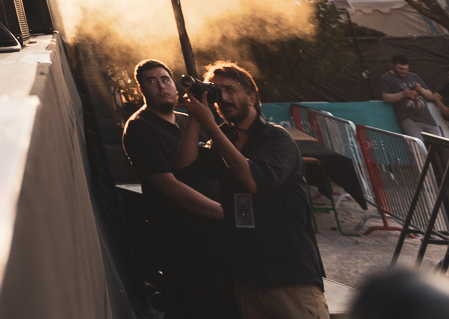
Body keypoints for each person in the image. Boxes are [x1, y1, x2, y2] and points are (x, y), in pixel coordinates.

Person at [194, 60, 327, 319]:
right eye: (217, 91)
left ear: (252, 97)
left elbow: (254, 181)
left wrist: (209, 126)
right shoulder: (224, 138)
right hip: (247, 279)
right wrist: (195, 114)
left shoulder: (277, 138)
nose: (224, 98)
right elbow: (186, 167)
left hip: (289, 276)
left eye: (230, 89)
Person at [120, 60, 230, 319]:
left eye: (165, 79)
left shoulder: (188, 121)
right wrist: (226, 213)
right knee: (200, 308)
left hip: (216, 236)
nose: (161, 86)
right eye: (152, 81)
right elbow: (169, 187)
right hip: (184, 241)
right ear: (141, 90)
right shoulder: (139, 127)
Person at [376, 55, 449, 138]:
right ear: (392, 65)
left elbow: (431, 96)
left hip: (427, 119)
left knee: (437, 143)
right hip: (409, 119)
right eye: (400, 69)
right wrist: (403, 94)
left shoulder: (414, 76)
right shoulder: (386, 78)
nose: (404, 71)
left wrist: (421, 89)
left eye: (406, 69)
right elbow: (386, 97)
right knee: (417, 144)